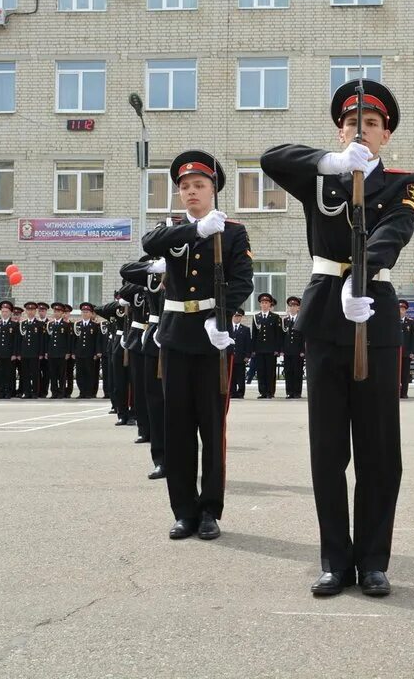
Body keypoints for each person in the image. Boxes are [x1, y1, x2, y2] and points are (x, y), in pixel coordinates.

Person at [261, 78, 414, 597]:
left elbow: (393, 232)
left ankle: (374, 560)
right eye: (353, 123)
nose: (361, 130)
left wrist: (363, 275)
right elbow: (271, 158)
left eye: (371, 124)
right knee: (327, 450)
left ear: (386, 135)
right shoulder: (321, 178)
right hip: (327, 312)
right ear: (340, 129)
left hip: (374, 309)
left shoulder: (402, 182)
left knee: (378, 449)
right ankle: (334, 559)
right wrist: (328, 162)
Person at [143, 151, 255, 542]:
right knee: (177, 428)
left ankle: (210, 509)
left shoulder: (234, 231)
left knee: (211, 427)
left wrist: (220, 319)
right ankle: (183, 511)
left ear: (214, 190)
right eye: (185, 187)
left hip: (211, 339)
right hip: (175, 338)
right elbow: (148, 242)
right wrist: (196, 231)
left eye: (199, 186)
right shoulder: (171, 230)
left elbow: (243, 281)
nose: (191, 192)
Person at [119, 259, 167, 477]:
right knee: (155, 401)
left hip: (185, 332)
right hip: (155, 338)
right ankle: (162, 460)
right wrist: (153, 265)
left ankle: (183, 456)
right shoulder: (152, 274)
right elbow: (126, 273)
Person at [251, 293, 283, 399]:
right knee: (261, 371)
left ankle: (270, 392)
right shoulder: (256, 317)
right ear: (260, 305)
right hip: (259, 349)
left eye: (266, 303)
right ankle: (262, 391)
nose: (264, 305)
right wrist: (253, 350)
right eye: (262, 303)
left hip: (271, 349)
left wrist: (277, 349)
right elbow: (254, 335)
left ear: (270, 304)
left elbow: (278, 335)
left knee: (270, 371)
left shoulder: (275, 317)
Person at [72, 303, 103, 398]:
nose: (85, 314)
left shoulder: (95, 326)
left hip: (90, 354)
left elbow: (97, 340)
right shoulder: (77, 325)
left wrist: (97, 352)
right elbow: (74, 340)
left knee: (90, 374)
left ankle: (89, 392)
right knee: (80, 374)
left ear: (91, 313)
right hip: (79, 353)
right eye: (83, 312)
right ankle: (82, 392)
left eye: (87, 312)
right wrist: (73, 352)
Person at [0, 301, 20, 400]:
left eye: (6, 311)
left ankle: (9, 392)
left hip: (9, 354)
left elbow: (16, 341)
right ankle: (1, 392)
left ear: (10, 313)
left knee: (9, 374)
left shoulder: (14, 324)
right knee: (0, 374)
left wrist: (14, 353)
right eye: (3, 311)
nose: (4, 313)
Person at [282, 296, 306, 398]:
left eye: (295, 305)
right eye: (291, 306)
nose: (292, 308)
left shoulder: (301, 320)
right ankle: (289, 392)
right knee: (288, 372)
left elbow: (304, 336)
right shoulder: (285, 320)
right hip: (287, 351)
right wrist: (282, 350)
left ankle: (297, 392)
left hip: (298, 351)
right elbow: (282, 337)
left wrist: (303, 350)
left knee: (297, 372)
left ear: (299, 308)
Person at [229, 309, 252, 399]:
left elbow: (248, 343)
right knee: (232, 376)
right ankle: (232, 392)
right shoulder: (228, 328)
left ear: (241, 317)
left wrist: (247, 356)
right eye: (235, 316)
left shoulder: (245, 329)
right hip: (231, 356)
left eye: (238, 316)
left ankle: (241, 392)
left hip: (241, 357)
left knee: (241, 377)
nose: (236, 318)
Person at [397, 301, 414, 399]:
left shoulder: (410, 322)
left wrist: (412, 352)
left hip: (406, 353)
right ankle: (396, 393)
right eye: (399, 309)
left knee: (405, 374)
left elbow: (413, 338)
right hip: (395, 353)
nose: (401, 311)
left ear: (406, 311)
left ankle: (404, 393)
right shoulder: (393, 321)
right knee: (396, 374)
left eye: (403, 310)